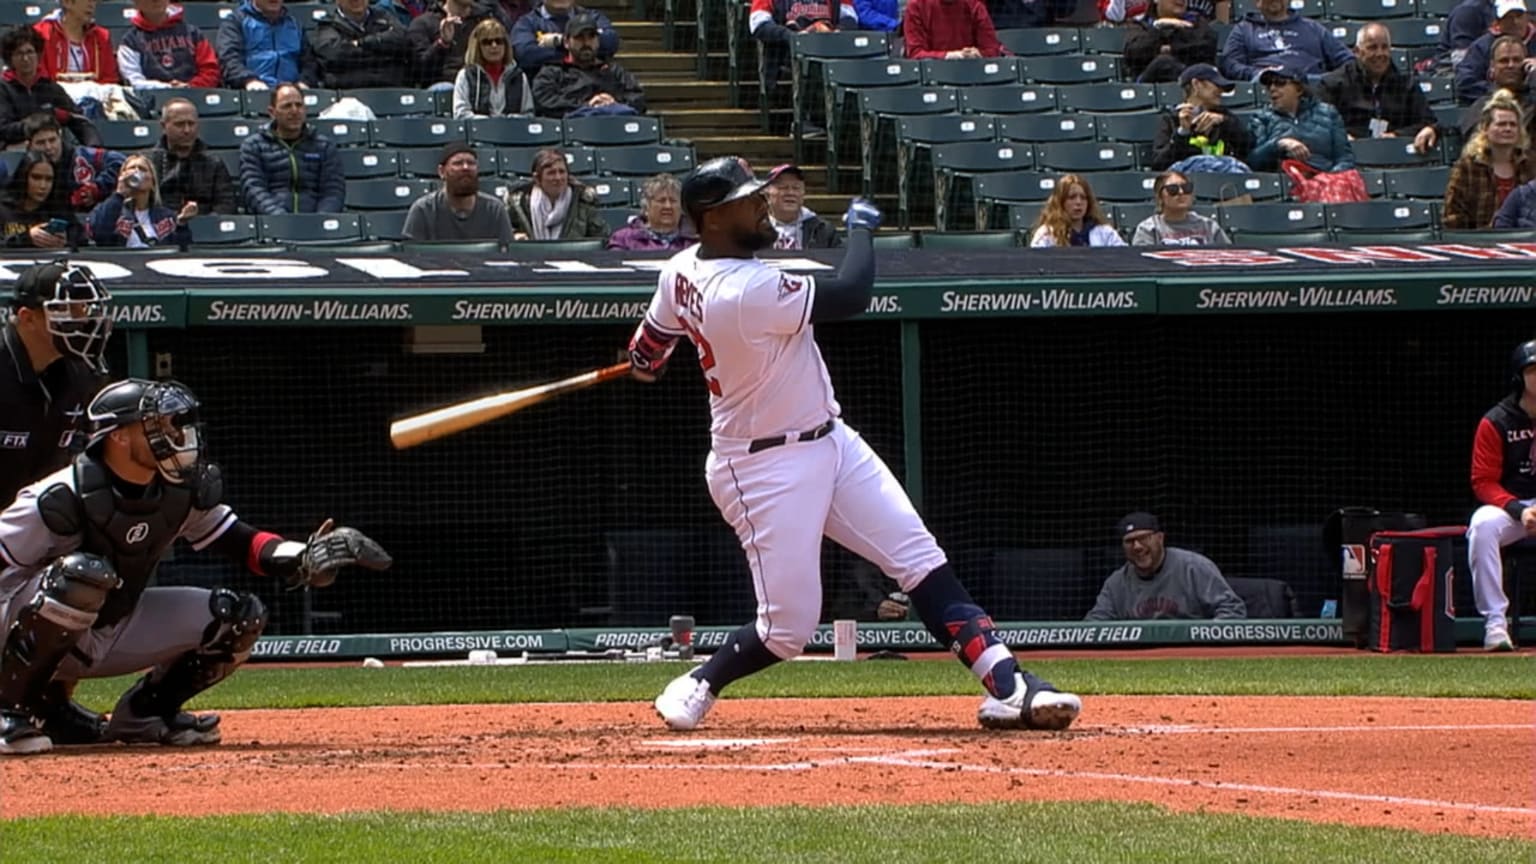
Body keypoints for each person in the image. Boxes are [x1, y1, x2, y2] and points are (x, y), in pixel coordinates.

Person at [629, 156, 1081, 732]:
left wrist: (645, 359)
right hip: (761, 466)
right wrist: (863, 230)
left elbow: (649, 348)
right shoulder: (743, 290)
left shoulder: (681, 270)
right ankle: (700, 680)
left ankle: (1012, 687)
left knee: (919, 560)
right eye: (750, 200)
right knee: (787, 630)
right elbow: (850, 293)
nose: (764, 204)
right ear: (714, 219)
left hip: (831, 439)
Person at [0, 378, 391, 755]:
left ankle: (145, 715)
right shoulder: (57, 498)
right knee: (81, 576)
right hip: (18, 630)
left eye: (176, 423)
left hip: (107, 629)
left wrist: (304, 556)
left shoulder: (179, 491)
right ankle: (8, 709)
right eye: (159, 425)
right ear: (117, 436)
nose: (176, 434)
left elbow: (242, 541)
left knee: (237, 617)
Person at [0, 263, 113, 749]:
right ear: (26, 318)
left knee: (94, 564)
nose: (84, 320)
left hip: (33, 535)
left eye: (86, 310)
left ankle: (50, 702)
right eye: (67, 311)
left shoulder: (81, 377)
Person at [1465, 341, 1536, 652]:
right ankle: (1495, 624)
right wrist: (1519, 509)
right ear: (1519, 377)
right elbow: (1483, 481)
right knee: (1481, 526)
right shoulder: (1496, 421)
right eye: (1533, 371)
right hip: (1512, 508)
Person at [1085, 513, 1246, 620]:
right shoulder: (1116, 584)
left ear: (1160, 538)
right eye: (1129, 541)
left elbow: (1232, 610)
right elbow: (1094, 626)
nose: (1137, 546)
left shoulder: (1194, 567)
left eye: (1143, 538)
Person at [1320, 24, 1437, 154]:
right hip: (1350, 157)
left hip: (1395, 155)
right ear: (1357, 51)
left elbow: (1428, 121)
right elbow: (1321, 125)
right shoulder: (1333, 83)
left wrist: (1400, 134)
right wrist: (1341, 136)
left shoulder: (1406, 84)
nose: (1380, 53)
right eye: (1372, 48)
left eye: (1385, 47)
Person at [238, 83, 345, 215]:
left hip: (316, 225)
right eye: (287, 106)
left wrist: (319, 220)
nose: (295, 111)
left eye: (299, 105)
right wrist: (283, 220)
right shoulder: (253, 146)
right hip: (272, 224)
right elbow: (254, 189)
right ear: (272, 112)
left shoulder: (324, 146)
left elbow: (333, 191)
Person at [1444, 91, 1534, 228]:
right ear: (1486, 128)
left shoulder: (1531, 164)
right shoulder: (1467, 167)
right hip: (1480, 241)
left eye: (1513, 124)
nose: (1508, 129)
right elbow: (1452, 216)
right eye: (1501, 124)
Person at [0, 26, 101, 149]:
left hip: (51, 149)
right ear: (10, 59)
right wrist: (36, 122)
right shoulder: (3, 88)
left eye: (29, 52)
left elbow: (78, 120)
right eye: (19, 54)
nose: (25, 58)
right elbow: (3, 129)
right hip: (16, 150)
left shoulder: (50, 87)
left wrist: (94, 148)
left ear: (38, 54)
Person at [530, 14, 644, 119]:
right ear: (566, 42)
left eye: (591, 37)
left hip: (614, 129)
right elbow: (545, 101)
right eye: (579, 37)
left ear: (598, 41)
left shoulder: (614, 71)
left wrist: (614, 103)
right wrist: (586, 105)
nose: (586, 42)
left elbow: (637, 98)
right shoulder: (552, 72)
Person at [1246, 64, 1356, 172]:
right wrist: (1277, 144)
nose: (1272, 88)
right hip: (1285, 180)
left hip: (1325, 181)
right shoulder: (1261, 118)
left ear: (1299, 89)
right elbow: (1253, 162)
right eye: (1269, 84)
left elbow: (1345, 159)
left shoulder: (1328, 113)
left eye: (1280, 83)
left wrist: (1329, 180)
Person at [402, 142, 515, 244]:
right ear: (441, 172)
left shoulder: (495, 210)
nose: (465, 167)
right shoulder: (423, 210)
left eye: (471, 163)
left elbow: (507, 254)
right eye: (458, 163)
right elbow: (411, 256)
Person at [1218, 0, 1351, 84]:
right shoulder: (1244, 29)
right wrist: (1258, 74)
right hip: (1269, 88)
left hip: (1311, 86)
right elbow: (1229, 64)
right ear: (1256, 2)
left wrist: (1327, 80)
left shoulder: (1313, 28)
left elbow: (1347, 60)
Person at [1149, 63, 1253, 171]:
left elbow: (1248, 147)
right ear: (1196, 84)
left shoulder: (1224, 116)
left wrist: (1225, 122)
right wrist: (1182, 133)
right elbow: (1159, 164)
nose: (1221, 91)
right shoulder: (1171, 119)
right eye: (1216, 84)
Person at [148, 98, 239, 216]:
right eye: (179, 124)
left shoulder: (213, 163)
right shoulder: (150, 162)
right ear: (163, 126)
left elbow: (226, 204)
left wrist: (207, 223)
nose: (187, 130)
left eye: (191, 124)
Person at [86, 153, 195, 248]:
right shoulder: (108, 210)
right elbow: (98, 232)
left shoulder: (167, 217)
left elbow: (182, 251)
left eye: (142, 169)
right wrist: (119, 194)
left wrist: (181, 224)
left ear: (152, 182)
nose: (136, 172)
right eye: (132, 168)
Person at [24, 112, 124, 215]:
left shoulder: (83, 156)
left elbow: (121, 161)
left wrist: (98, 187)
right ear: (29, 145)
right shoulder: (23, 169)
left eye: (52, 140)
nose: (48, 147)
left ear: (60, 136)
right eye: (41, 143)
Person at [502, 147, 607, 240]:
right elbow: (504, 233)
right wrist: (514, 237)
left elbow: (601, 237)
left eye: (562, 172)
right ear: (537, 179)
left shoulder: (584, 201)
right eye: (551, 173)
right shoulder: (518, 203)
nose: (558, 178)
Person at [116, 0, 223, 89]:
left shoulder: (193, 33)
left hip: (194, 95)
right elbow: (133, 80)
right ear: (136, 3)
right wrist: (166, 88)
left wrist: (189, 86)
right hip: (151, 101)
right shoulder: (130, 41)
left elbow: (210, 70)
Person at [217, 0, 319, 91]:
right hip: (252, 91)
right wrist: (249, 80)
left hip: (292, 92)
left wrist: (304, 82)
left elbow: (309, 62)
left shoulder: (295, 25)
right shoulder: (236, 22)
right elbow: (229, 59)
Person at [312, 0, 414, 89]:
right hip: (346, 93)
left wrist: (361, 43)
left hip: (391, 89)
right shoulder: (328, 24)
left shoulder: (384, 16)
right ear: (338, 1)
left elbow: (404, 40)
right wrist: (382, 53)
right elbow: (334, 55)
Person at [1456, 0, 1536, 106]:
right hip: (1492, 104)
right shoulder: (1482, 46)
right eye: (1508, 17)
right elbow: (1465, 82)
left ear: (1527, 17)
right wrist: (1499, 91)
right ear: (1498, 22)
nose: (1515, 21)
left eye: (1519, 15)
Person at [512, 0, 620, 79]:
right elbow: (525, 54)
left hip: (593, 87)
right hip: (548, 92)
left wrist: (559, 41)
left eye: (590, 36)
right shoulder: (527, 23)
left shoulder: (594, 17)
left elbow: (610, 42)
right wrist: (581, 51)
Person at [452, 18, 534, 118]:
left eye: (499, 41)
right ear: (478, 47)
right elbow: (460, 114)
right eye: (487, 42)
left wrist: (511, 120)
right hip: (479, 131)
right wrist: (490, 124)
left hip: (512, 131)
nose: (494, 46)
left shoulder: (519, 77)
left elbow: (528, 114)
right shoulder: (465, 76)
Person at [1459, 36, 1536, 143]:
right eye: (1504, 61)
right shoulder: (1481, 108)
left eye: (1517, 60)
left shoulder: (1532, 100)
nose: (1510, 65)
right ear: (1492, 67)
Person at [409, 0, 503, 87]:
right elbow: (419, 72)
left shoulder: (486, 19)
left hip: (481, 86)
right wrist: (442, 44)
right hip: (443, 91)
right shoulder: (424, 23)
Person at [1123, 0, 1218, 84]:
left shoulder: (1197, 23)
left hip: (1192, 84)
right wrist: (1159, 27)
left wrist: (1169, 48)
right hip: (1147, 85)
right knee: (1163, 63)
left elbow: (1205, 48)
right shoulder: (1140, 26)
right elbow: (1134, 53)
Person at [0, 152, 76, 249]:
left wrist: (65, 242)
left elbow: (82, 241)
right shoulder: (3, 208)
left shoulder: (59, 209)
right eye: (36, 178)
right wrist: (26, 238)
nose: (43, 186)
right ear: (23, 177)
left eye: (49, 179)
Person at [1132, 170, 1230, 246]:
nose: (1181, 192)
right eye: (1173, 189)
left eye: (1186, 188)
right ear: (1160, 197)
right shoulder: (1148, 229)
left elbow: (1228, 256)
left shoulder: (1209, 226)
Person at [33, 0, 120, 84]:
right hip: (54, 96)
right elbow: (40, 79)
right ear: (67, 2)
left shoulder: (101, 37)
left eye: (94, 0)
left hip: (94, 96)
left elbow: (110, 79)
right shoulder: (43, 33)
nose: (92, 5)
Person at [605, 172, 695, 251]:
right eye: (661, 200)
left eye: (673, 201)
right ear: (646, 206)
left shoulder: (694, 241)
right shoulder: (623, 239)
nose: (668, 206)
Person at [1028, 174, 1125, 247]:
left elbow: (1125, 258)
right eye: (1072, 197)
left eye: (1083, 198)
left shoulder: (1105, 233)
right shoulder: (1046, 234)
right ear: (1061, 202)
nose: (1078, 202)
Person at [764, 164, 840, 250]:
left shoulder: (822, 230)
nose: (790, 193)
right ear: (767, 195)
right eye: (783, 187)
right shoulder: (753, 229)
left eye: (796, 188)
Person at [902, 0, 1004, 61]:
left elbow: (992, 50)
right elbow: (915, 54)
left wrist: (979, 54)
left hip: (971, 75)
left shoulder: (975, 6)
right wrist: (951, 55)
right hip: (931, 81)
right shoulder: (916, 6)